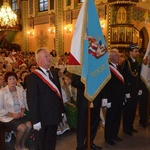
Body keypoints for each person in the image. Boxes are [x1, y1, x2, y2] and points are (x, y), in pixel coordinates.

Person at [26, 47, 62, 150]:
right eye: (46, 56)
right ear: (38, 60)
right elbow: (32, 100)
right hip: (42, 118)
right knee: (41, 144)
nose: (49, 58)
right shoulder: (33, 77)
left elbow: (58, 94)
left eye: (49, 55)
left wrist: (61, 111)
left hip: (53, 116)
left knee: (51, 142)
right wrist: (36, 120)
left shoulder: (54, 73)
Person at [0, 71, 32, 150]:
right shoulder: (2, 92)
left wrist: (22, 111)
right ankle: (17, 145)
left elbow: (23, 104)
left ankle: (22, 144)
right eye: (10, 79)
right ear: (7, 81)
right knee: (22, 128)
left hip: (19, 114)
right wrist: (13, 115)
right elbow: (0, 109)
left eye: (14, 78)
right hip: (7, 116)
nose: (12, 81)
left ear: (16, 80)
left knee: (29, 125)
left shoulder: (20, 89)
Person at [72, 74, 103, 150]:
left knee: (94, 123)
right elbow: (75, 82)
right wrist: (87, 83)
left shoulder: (97, 65)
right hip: (84, 100)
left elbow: (103, 80)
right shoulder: (80, 66)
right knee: (82, 124)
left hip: (96, 99)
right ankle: (80, 146)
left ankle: (90, 142)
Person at [103, 49, 125, 145]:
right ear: (111, 57)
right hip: (111, 98)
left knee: (117, 117)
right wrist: (106, 99)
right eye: (116, 55)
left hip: (119, 97)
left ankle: (115, 134)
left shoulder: (118, 67)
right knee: (110, 118)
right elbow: (105, 85)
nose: (118, 57)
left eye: (118, 55)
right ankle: (108, 137)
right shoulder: (107, 68)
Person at [121, 43, 141, 135]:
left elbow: (137, 76)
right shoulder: (126, 63)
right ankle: (126, 128)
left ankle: (131, 126)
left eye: (138, 51)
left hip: (135, 90)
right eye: (135, 51)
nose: (137, 53)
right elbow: (123, 78)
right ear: (130, 52)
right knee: (127, 110)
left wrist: (139, 87)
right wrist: (126, 92)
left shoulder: (135, 62)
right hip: (129, 91)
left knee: (133, 109)